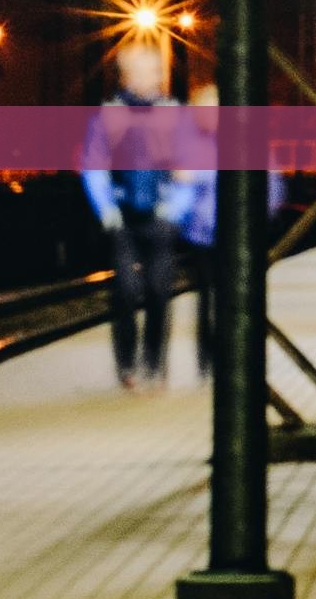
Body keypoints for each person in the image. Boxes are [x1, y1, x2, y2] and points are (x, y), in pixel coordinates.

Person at [79, 41, 184, 391]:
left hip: (160, 215)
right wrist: (106, 208)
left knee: (158, 290)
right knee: (124, 291)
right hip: (122, 217)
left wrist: (175, 206)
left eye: (150, 70)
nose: (145, 77)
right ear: (126, 74)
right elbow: (93, 165)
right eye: (137, 70)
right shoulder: (110, 114)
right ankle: (127, 367)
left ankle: (154, 364)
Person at [171, 81, 222, 384]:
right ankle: (208, 363)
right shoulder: (190, 145)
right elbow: (180, 189)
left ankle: (221, 359)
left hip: (234, 235)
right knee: (208, 300)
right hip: (203, 235)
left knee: (226, 299)